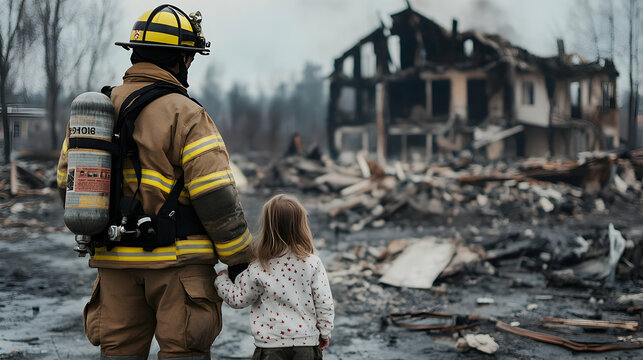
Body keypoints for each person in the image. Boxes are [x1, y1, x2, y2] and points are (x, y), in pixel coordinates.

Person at [56, 5, 253, 360]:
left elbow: (65, 183)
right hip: (178, 270)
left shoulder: (96, 111)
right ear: (180, 60)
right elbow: (216, 196)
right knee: (184, 352)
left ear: (135, 53)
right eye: (189, 58)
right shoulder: (187, 114)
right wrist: (240, 258)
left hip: (114, 268)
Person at [215, 194, 334, 360]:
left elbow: (238, 299)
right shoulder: (312, 263)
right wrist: (325, 331)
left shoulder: (259, 267)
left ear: (267, 228)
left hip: (270, 348)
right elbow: (324, 302)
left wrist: (222, 280)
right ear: (302, 226)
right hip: (305, 344)